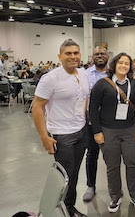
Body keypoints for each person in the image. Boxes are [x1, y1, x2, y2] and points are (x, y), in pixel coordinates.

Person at [32, 39, 89, 217]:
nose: (73, 57)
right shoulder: (50, 78)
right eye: (68, 53)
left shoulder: (83, 73)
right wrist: (44, 137)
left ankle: (68, 208)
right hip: (62, 135)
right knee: (64, 177)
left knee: (74, 174)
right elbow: (37, 107)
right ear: (60, 56)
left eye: (76, 53)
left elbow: (84, 98)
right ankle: (62, 210)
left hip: (81, 131)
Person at [89, 52, 135, 212]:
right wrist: (97, 132)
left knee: (132, 164)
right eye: (120, 63)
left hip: (130, 130)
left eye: (127, 63)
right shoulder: (102, 84)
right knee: (112, 166)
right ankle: (115, 196)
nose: (123, 66)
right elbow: (93, 109)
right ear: (114, 65)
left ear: (130, 67)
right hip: (108, 131)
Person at [82, 46, 109, 202]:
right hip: (92, 123)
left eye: (103, 54)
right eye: (97, 54)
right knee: (91, 155)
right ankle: (90, 185)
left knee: (112, 156)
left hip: (110, 123)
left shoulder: (112, 74)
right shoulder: (85, 75)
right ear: (92, 57)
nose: (100, 56)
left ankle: (115, 186)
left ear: (107, 56)